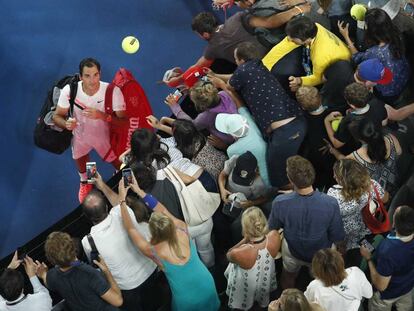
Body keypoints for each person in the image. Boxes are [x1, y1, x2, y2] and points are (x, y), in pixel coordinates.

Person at [117, 174, 220, 311]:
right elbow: (162, 209)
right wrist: (139, 191)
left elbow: (131, 229)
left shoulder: (154, 252)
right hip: (207, 284)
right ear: (169, 223)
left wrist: (122, 200)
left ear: (153, 232)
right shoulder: (181, 228)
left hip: (188, 300)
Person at [222, 41, 306, 188]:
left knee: (279, 180)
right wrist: (216, 75)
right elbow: (234, 77)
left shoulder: (242, 71)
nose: (235, 62)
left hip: (285, 134)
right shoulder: (259, 66)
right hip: (299, 122)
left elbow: (230, 86)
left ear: (241, 60)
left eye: (236, 60)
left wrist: (217, 81)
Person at [52, 58, 127, 203]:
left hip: (106, 140)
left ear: (100, 74)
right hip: (80, 139)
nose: (92, 80)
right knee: (85, 161)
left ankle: (124, 178)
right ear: (80, 77)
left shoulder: (112, 91)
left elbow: (124, 123)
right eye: (87, 76)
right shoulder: (70, 90)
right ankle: (87, 180)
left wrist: (103, 116)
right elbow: (57, 116)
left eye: (95, 75)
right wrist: (66, 124)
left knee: (121, 166)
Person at [268, 156, 345, 289]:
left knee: (288, 276)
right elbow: (337, 235)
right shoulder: (330, 203)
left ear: (291, 180)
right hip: (321, 255)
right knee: (321, 284)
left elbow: (273, 228)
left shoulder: (280, 202)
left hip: (292, 251)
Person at [81, 188, 157, 311]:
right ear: (106, 207)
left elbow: (96, 265)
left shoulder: (88, 242)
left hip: (129, 290)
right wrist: (101, 184)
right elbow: (119, 203)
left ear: (87, 217)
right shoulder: (122, 212)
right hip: (152, 271)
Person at [338, 8, 410, 103]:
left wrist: (346, 37)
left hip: (387, 90)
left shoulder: (375, 53)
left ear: (372, 31)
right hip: (403, 77)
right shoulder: (397, 34)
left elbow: (357, 58)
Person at [38, 231, 123, 311]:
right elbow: (118, 301)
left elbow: (47, 281)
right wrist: (106, 271)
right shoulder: (89, 274)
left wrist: (43, 274)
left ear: (51, 260)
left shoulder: (52, 276)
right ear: (73, 248)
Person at [262, 15, 351, 91]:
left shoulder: (320, 55)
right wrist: (263, 65)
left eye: (293, 38)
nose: (289, 39)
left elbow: (319, 78)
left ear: (306, 39)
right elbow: (287, 43)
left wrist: (300, 81)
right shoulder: (314, 27)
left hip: (338, 72)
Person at [327, 159, 386, 263]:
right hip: (367, 227)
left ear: (343, 180)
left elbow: (330, 219)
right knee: (365, 244)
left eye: (336, 175)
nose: (333, 177)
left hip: (345, 235)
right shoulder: (371, 185)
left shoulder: (333, 194)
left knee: (343, 253)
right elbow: (385, 198)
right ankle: (369, 257)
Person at [328, 119, 402, 197]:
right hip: (396, 182)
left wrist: (333, 150)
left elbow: (343, 160)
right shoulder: (391, 138)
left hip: (377, 194)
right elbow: (399, 153)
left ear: (358, 139)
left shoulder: (354, 157)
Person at [360, 205, 414, 311]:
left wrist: (369, 258)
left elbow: (381, 286)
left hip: (388, 294)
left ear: (394, 223)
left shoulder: (388, 250)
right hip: (408, 287)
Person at [225, 207, 280, 310]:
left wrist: (245, 239)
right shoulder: (275, 235)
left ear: (245, 228)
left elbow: (228, 255)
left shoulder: (240, 252)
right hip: (265, 278)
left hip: (246, 286)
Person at [218, 152, 273, 242]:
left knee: (235, 228)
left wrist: (251, 203)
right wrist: (222, 189)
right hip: (226, 199)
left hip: (242, 208)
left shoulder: (258, 183)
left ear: (255, 172)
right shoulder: (235, 159)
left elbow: (264, 198)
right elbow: (223, 175)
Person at [166, 80, 238, 147]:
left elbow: (190, 125)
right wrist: (193, 91)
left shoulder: (205, 117)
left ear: (200, 106)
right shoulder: (223, 94)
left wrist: (175, 107)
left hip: (234, 141)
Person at [325, 82, 388, 153]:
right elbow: (384, 122)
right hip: (379, 139)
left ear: (352, 105)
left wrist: (326, 120)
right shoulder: (377, 103)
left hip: (361, 149)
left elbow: (336, 144)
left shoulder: (348, 121)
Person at [305, 248, 373, 311]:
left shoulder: (315, 286)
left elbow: (306, 303)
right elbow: (369, 294)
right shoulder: (355, 272)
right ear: (341, 261)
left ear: (317, 270)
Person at [296, 86, 336, 189]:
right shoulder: (333, 115)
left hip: (314, 161)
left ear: (303, 107)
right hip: (333, 161)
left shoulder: (301, 121)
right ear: (320, 98)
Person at [215, 112, 270, 186]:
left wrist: (224, 146)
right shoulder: (249, 119)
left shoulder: (231, 150)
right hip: (273, 174)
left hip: (260, 184)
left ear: (231, 134)